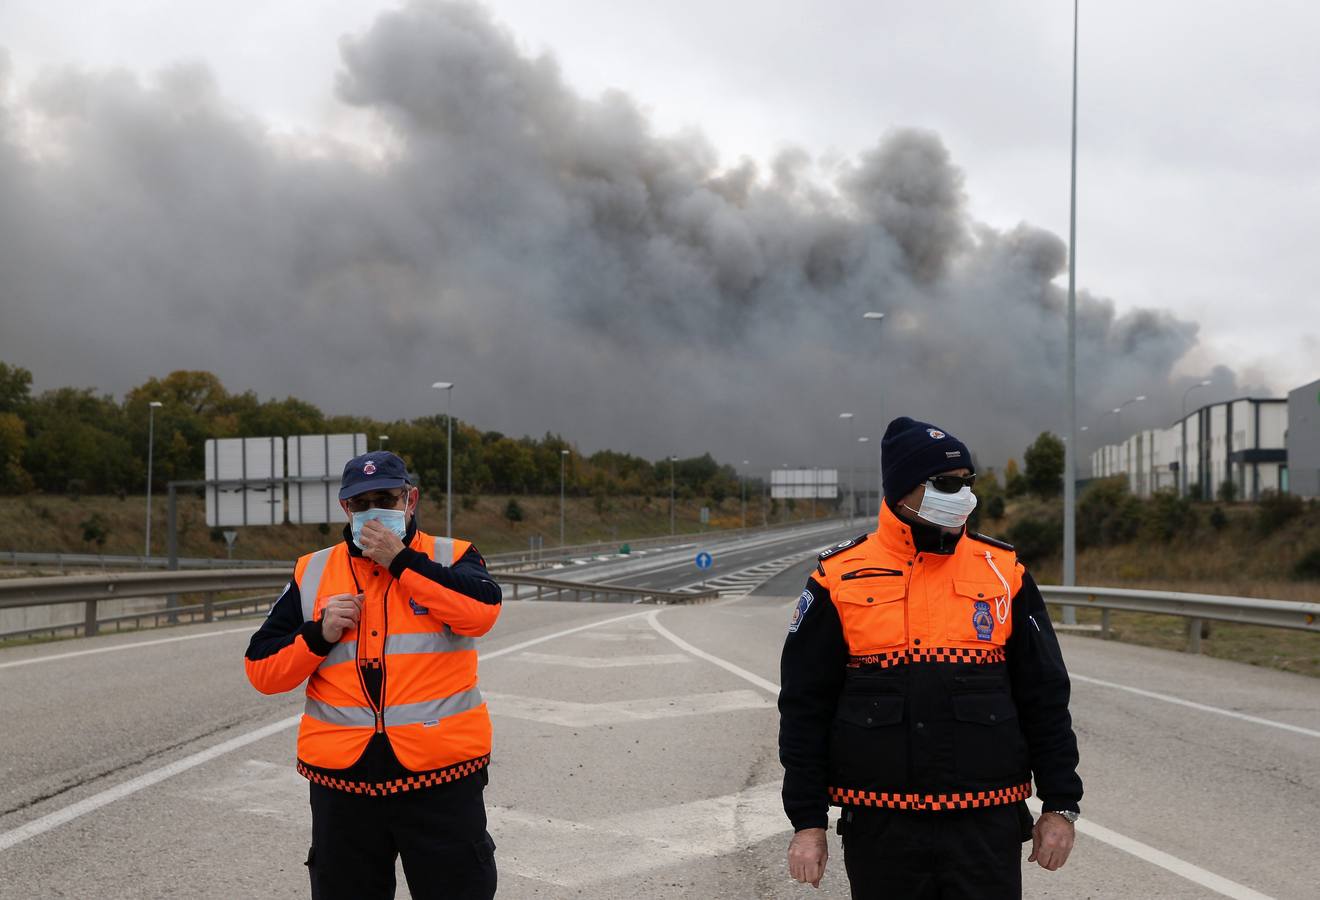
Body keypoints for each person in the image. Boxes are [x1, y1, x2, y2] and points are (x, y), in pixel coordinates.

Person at [779, 417, 1082, 898]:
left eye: (967, 484)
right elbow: (804, 708)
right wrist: (807, 822)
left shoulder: (1004, 572)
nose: (962, 495)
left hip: (986, 823)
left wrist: (1060, 804)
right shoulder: (838, 577)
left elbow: (1044, 694)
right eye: (945, 484)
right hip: (882, 826)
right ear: (902, 489)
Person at [245, 451, 502, 899]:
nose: (372, 511)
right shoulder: (313, 571)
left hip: (440, 777)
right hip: (342, 783)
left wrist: (402, 562)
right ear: (346, 508)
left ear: (410, 499)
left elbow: (481, 612)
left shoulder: (452, 555)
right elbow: (262, 671)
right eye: (360, 503)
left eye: (385, 498)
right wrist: (318, 635)